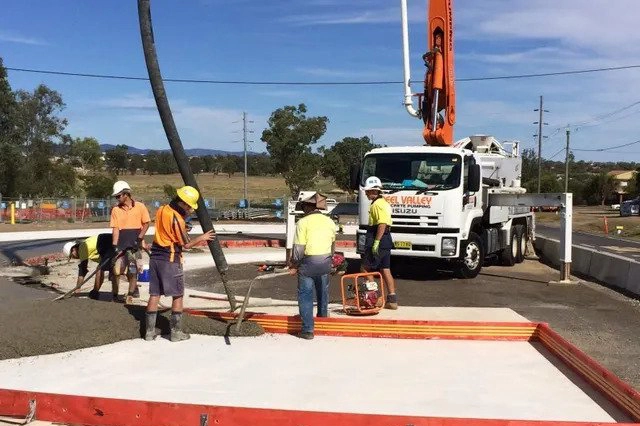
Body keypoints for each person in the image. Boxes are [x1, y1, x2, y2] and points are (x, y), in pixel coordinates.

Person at [144, 185, 215, 342]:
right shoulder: (178, 219)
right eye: (190, 207)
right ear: (183, 202)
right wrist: (202, 238)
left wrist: (182, 230)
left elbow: (167, 230)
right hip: (170, 259)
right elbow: (185, 245)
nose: (190, 210)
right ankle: (176, 333)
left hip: (155, 257)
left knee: (154, 294)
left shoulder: (162, 209)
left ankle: (149, 333)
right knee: (177, 294)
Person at [289, 192, 336, 340]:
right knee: (323, 292)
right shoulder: (330, 222)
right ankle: (322, 318)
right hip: (325, 261)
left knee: (305, 295)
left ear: (309, 207)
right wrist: (331, 260)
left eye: (303, 206)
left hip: (308, 264)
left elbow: (299, 248)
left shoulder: (303, 223)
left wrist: (294, 264)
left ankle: (308, 329)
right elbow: (333, 244)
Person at [109, 180, 151, 304]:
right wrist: (115, 246)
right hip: (121, 244)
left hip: (134, 245)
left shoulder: (140, 207)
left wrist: (139, 238)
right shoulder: (116, 210)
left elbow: (146, 223)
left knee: (133, 271)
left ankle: (130, 295)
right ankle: (115, 295)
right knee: (116, 271)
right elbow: (116, 229)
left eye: (118, 196)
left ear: (125, 194)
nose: (117, 199)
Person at [361, 176, 398, 309]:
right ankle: (392, 299)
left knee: (365, 268)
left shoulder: (377, 205)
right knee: (385, 269)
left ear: (373, 191)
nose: (365, 193)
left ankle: (374, 297)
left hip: (378, 238)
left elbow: (382, 224)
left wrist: (376, 241)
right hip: (386, 240)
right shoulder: (383, 203)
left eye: (367, 191)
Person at [63, 233, 115, 300]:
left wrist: (77, 288)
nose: (74, 258)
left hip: (107, 242)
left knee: (99, 269)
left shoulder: (82, 247)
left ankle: (95, 292)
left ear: (73, 249)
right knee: (115, 270)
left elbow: (83, 270)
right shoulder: (89, 250)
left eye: (72, 256)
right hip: (108, 243)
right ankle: (119, 294)